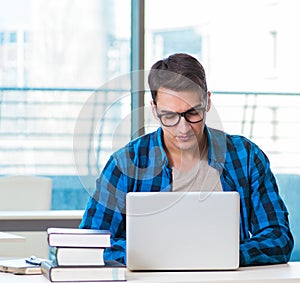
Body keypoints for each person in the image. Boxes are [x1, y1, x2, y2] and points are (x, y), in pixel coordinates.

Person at [80, 53, 294, 266]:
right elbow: (89, 244)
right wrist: (159, 256)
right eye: (170, 116)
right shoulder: (125, 163)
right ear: (154, 110)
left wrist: (224, 255)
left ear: (207, 102)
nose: (183, 129)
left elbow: (279, 238)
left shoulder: (246, 156)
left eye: (193, 113)